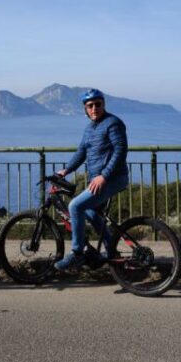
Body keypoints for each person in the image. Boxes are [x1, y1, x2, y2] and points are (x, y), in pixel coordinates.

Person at [54, 88, 129, 271]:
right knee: (90, 212)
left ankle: (77, 253)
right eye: (90, 106)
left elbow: (120, 151)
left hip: (113, 178)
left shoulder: (113, 123)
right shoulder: (89, 129)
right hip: (102, 179)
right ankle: (112, 250)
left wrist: (103, 176)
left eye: (98, 104)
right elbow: (82, 151)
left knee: (75, 206)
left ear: (103, 105)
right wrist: (67, 170)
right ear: (85, 109)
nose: (94, 108)